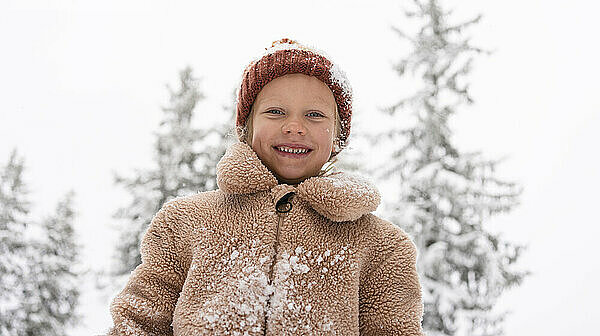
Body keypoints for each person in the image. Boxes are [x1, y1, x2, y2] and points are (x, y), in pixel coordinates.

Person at [105, 38, 426, 335]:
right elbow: (137, 321)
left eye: (314, 115)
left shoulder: (382, 244)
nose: (294, 126)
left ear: (338, 136)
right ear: (246, 127)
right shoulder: (185, 221)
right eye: (275, 112)